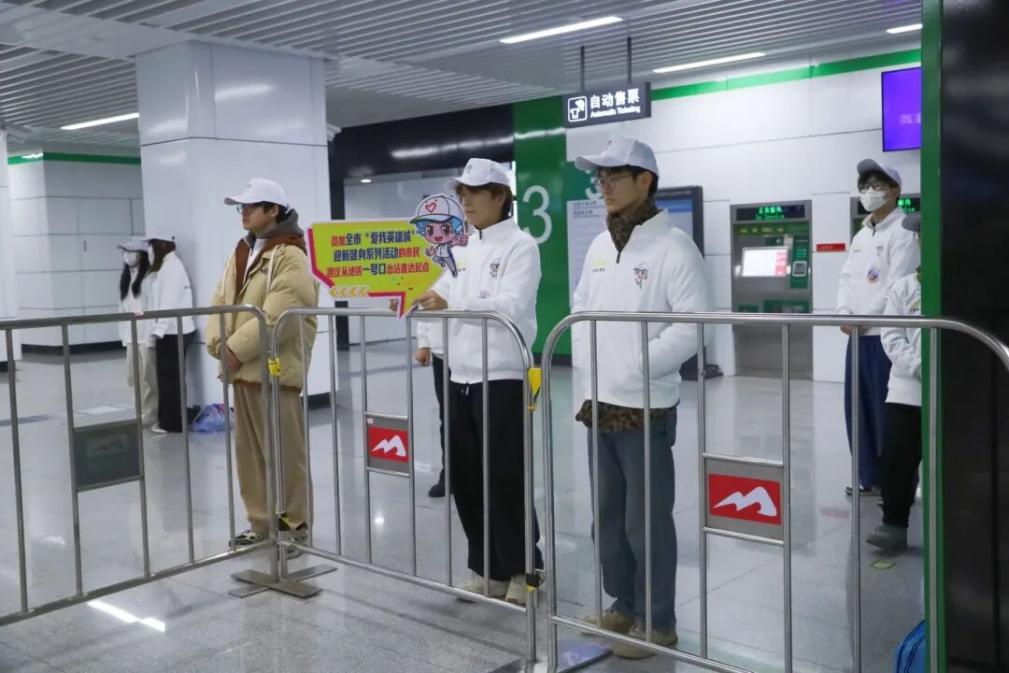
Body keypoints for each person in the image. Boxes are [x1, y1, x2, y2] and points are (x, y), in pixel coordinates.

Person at [570, 135, 709, 658]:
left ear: (645, 181)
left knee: (645, 521)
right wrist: (589, 364)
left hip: (645, 407)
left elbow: (693, 326)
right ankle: (623, 605)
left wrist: (636, 365)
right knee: (607, 518)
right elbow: (580, 308)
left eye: (613, 176)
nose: (603, 186)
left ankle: (658, 620)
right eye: (599, 177)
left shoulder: (674, 247)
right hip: (598, 400)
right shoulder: (600, 246)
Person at [413, 158, 543, 605]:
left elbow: (509, 306)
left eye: (473, 192)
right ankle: (485, 567)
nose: (465, 200)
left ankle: (523, 568)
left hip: (501, 375)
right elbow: (440, 294)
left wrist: (451, 303)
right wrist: (421, 312)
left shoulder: (522, 246)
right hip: (459, 374)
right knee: (466, 476)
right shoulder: (462, 247)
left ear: (500, 196)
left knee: (505, 476)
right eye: (462, 193)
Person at [205, 178, 319, 554]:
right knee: (250, 457)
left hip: (274, 372)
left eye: (251, 207)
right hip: (242, 371)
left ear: (274, 211)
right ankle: (262, 525)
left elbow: (280, 314)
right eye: (241, 207)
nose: (244, 213)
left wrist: (234, 349)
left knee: (285, 457)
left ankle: (293, 529)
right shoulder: (243, 251)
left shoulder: (291, 255)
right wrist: (218, 344)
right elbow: (220, 301)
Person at [836, 160, 920, 495]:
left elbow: (896, 285)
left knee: (887, 415)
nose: (869, 192)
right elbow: (847, 277)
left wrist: (863, 318)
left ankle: (895, 483)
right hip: (857, 335)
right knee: (858, 411)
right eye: (865, 186)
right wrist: (843, 312)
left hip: (883, 336)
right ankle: (867, 476)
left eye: (877, 185)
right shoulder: (861, 235)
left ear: (894, 191)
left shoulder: (904, 232)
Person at [868, 213, 922, 552]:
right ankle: (893, 525)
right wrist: (921, 366)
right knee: (897, 460)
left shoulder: (966, 285)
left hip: (955, 392)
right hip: (906, 392)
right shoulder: (905, 287)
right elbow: (891, 336)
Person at [410, 194, 466, 498]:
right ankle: (451, 473)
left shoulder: (471, 251)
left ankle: (474, 473)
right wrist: (424, 343)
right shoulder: (429, 257)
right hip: (443, 352)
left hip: (470, 350)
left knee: (471, 417)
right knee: (448, 415)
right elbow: (424, 297)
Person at [146, 234, 196, 434]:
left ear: (161, 245)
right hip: (173, 330)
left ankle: (171, 423)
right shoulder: (169, 266)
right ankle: (171, 420)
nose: (149, 251)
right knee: (170, 378)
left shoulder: (172, 267)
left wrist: (158, 330)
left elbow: (168, 301)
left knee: (169, 379)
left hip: (172, 331)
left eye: (151, 245)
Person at [118, 238, 158, 427]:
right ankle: (139, 411)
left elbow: (154, 307)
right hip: (131, 337)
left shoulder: (150, 278)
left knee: (149, 377)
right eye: (124, 252)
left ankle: (151, 412)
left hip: (146, 336)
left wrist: (152, 336)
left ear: (141, 254)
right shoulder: (126, 280)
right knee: (133, 377)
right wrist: (124, 336)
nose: (126, 256)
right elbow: (122, 310)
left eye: (130, 251)